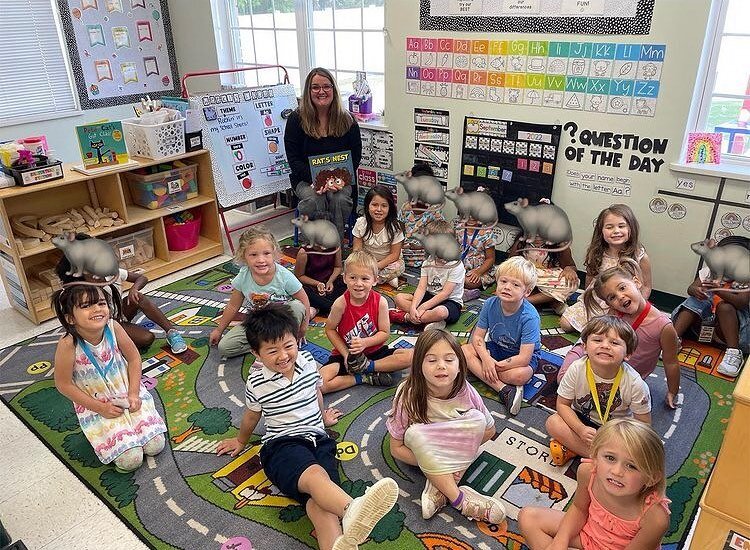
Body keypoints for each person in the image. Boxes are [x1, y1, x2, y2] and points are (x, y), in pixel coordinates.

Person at [216, 305, 399, 550]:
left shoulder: (308, 361)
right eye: (272, 351)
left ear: (298, 341)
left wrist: (321, 417)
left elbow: (314, 393)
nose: (283, 356)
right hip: (282, 445)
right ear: (256, 353)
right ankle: (352, 508)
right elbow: (252, 415)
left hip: (319, 439)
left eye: (288, 346)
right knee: (316, 478)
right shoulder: (257, 382)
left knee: (321, 502)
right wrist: (240, 440)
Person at [386, 329, 506, 523]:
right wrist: (435, 463)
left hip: (454, 451)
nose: (441, 366)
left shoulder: (466, 391)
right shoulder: (407, 394)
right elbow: (396, 448)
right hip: (423, 449)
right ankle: (459, 500)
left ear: (460, 365)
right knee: (415, 434)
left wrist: (444, 466)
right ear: (418, 366)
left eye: (449, 360)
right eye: (431, 360)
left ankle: (440, 486)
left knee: (478, 419)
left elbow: (489, 430)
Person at [52, 284, 166, 472]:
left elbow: (134, 358)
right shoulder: (68, 344)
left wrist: (134, 393)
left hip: (127, 393)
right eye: (86, 306)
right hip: (97, 404)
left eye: (101, 303)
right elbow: (63, 384)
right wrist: (100, 408)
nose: (97, 309)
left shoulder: (114, 327)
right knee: (131, 460)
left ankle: (130, 429)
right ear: (70, 318)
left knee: (155, 446)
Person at [519, 418, 670, 550]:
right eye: (610, 458)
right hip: (587, 535)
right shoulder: (587, 472)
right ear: (595, 457)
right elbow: (579, 509)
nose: (617, 471)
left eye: (632, 466)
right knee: (528, 517)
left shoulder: (655, 517)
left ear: (652, 478)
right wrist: (560, 541)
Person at [557, 259, 681, 409]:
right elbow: (597, 341)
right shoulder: (614, 313)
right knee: (563, 380)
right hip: (595, 359)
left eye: (622, 288)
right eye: (612, 297)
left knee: (613, 403)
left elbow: (671, 362)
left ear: (636, 282)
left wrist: (672, 391)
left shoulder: (663, 326)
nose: (620, 296)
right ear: (609, 304)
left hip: (623, 377)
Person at [55, 233, 187, 353]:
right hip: (100, 325)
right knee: (146, 338)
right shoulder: (78, 289)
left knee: (138, 297)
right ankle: (107, 345)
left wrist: (134, 289)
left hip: (117, 315)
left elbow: (141, 278)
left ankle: (171, 332)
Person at [547, 316, 652, 466]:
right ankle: (605, 459)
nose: (605, 346)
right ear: (584, 347)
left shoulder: (635, 383)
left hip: (616, 430)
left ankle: (580, 451)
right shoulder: (577, 368)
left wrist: (622, 441)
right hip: (581, 420)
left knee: (642, 448)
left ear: (628, 354)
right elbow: (563, 405)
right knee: (553, 422)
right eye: (597, 340)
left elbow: (644, 425)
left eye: (614, 343)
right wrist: (581, 429)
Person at [284, 67, 362, 241]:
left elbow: (355, 157)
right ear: (308, 91)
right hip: (305, 180)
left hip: (341, 181)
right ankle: (317, 249)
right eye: (315, 87)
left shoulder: (348, 120)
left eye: (326, 86)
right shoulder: (296, 120)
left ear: (333, 89)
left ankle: (336, 248)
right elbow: (294, 160)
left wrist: (338, 181)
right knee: (314, 200)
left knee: (339, 200)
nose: (321, 91)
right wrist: (318, 181)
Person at [210, 226, 310, 358]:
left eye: (266, 253)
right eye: (253, 255)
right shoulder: (243, 276)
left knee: (297, 306)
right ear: (244, 256)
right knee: (225, 348)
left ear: (274, 253)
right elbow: (233, 306)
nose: (261, 260)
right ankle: (271, 343)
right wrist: (219, 330)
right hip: (257, 322)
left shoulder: (284, 276)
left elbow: (304, 301)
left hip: (282, 321)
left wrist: (303, 328)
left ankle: (280, 342)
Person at [320, 251, 412, 394]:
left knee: (412, 356)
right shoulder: (340, 303)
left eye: (364, 278)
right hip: (347, 354)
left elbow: (384, 333)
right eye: (352, 277)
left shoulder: (380, 302)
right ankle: (362, 378)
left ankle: (368, 367)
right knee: (319, 383)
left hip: (375, 352)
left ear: (375, 280)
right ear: (344, 278)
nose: (358, 284)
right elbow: (330, 329)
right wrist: (346, 355)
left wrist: (365, 343)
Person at [462, 256, 541, 416]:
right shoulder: (490, 304)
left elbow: (524, 358)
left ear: (527, 292)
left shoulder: (530, 316)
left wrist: (490, 365)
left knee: (519, 375)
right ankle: (503, 388)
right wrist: (486, 359)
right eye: (503, 281)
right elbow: (477, 338)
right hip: (497, 348)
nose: (507, 287)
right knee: (464, 350)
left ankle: (483, 373)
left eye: (515, 285)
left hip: (521, 357)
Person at [561, 204, 651, 333]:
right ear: (601, 231)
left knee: (612, 331)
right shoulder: (597, 252)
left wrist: (637, 307)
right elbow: (590, 278)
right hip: (598, 300)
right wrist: (588, 301)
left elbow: (646, 286)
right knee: (565, 324)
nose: (616, 231)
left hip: (623, 302)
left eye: (621, 226)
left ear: (631, 228)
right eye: (609, 227)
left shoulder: (640, 256)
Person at [672, 235, 750, 377]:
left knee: (725, 307)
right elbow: (691, 288)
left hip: (728, 331)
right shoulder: (709, 271)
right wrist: (696, 290)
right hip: (703, 325)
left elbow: (741, 302)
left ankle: (734, 353)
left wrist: (718, 289)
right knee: (694, 301)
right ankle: (672, 339)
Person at [390, 220, 465, 331]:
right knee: (399, 298)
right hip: (429, 296)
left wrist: (422, 307)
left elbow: (445, 294)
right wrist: (414, 307)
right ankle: (426, 319)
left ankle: (407, 317)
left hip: (450, 302)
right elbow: (421, 288)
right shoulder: (427, 263)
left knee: (440, 312)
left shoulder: (456, 266)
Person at [508, 232, 579, 314]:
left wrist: (569, 270)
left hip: (548, 281)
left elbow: (570, 265)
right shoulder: (521, 243)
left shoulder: (560, 245)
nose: (537, 236)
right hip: (527, 278)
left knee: (571, 283)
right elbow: (510, 264)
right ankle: (552, 301)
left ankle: (525, 301)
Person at [352, 185, 405, 288]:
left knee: (398, 267)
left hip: (388, 262)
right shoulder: (361, 223)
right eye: (374, 205)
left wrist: (376, 267)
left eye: (384, 206)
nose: (379, 209)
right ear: (368, 206)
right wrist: (364, 264)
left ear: (390, 208)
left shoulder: (395, 227)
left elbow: (394, 255)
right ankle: (378, 278)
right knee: (350, 264)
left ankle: (371, 278)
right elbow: (357, 249)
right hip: (367, 261)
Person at [399, 162, 446, 269]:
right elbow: (400, 231)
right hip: (404, 253)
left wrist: (421, 245)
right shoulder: (405, 207)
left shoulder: (434, 210)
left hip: (424, 255)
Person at [454, 206, 499, 302]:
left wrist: (478, 272)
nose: (471, 217)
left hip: (480, 270)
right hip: (461, 266)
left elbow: (490, 259)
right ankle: (459, 291)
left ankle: (466, 292)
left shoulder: (487, 233)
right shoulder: (459, 228)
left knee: (467, 282)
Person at [294, 243, 346, 318]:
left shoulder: (335, 246)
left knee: (349, 282)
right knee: (301, 291)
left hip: (331, 281)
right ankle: (332, 307)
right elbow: (299, 276)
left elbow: (338, 267)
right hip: (311, 286)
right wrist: (318, 284)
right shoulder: (303, 252)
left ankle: (321, 307)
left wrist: (330, 281)